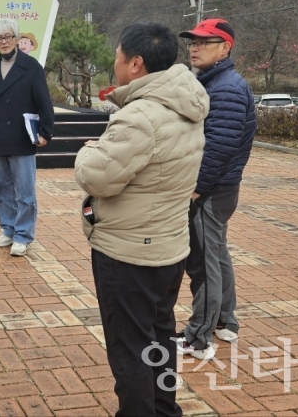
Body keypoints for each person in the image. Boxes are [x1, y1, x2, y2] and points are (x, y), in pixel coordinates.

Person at [75, 22, 208, 417]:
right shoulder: (188, 102)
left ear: (135, 64)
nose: (113, 64)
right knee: (160, 339)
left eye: (116, 58)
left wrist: (87, 152)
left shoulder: (141, 116)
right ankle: (165, 409)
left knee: (129, 349)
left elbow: (98, 176)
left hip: (129, 252)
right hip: (169, 246)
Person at [175, 18, 256, 361]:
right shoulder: (215, 81)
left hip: (211, 189)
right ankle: (225, 321)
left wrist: (196, 188)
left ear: (225, 48)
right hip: (218, 188)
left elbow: (220, 146)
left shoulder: (225, 88)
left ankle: (199, 337)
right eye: (193, 42)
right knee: (217, 255)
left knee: (205, 261)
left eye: (205, 42)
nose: (195, 47)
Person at [0, 18, 55, 257]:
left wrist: (45, 131)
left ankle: (23, 234)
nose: (4, 42)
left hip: (22, 136)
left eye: (8, 36)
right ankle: (8, 229)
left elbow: (44, 102)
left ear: (16, 39)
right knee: (1, 188)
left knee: (24, 191)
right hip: (0, 136)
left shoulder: (31, 67)